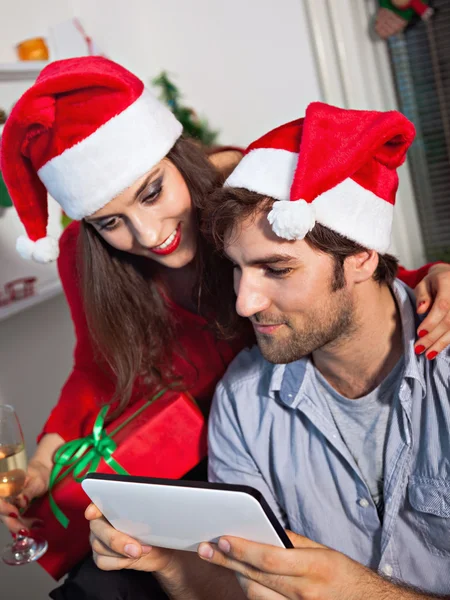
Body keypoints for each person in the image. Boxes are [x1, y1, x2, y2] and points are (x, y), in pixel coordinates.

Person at [0, 55, 449, 598]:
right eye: (110, 221)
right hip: (223, 441)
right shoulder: (87, 255)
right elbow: (98, 367)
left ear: (175, 157)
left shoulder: (244, 189)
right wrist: (45, 462)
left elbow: (341, 260)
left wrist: (434, 278)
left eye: (151, 192)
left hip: (284, 421)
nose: (147, 234)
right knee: (106, 579)